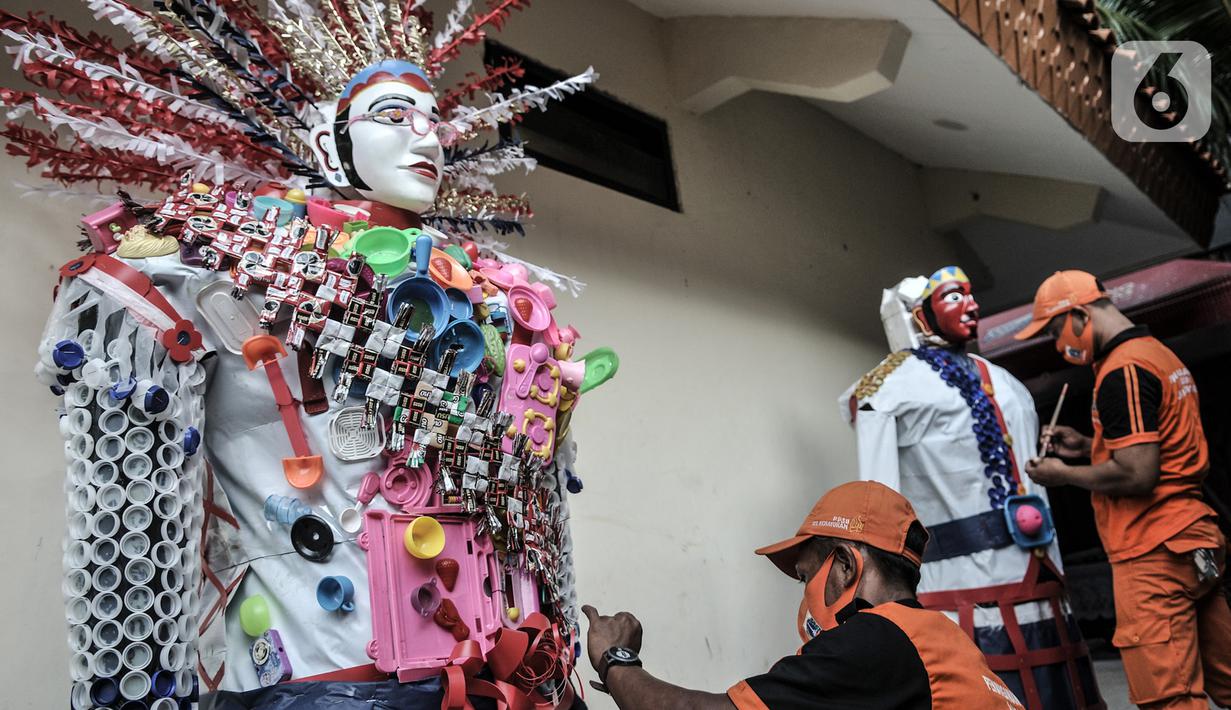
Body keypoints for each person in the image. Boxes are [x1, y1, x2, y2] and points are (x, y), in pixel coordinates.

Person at [841, 267, 1099, 708]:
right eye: (954, 297)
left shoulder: (1004, 381)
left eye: (970, 294)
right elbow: (880, 491)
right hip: (958, 580)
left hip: (1037, 568)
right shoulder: (885, 387)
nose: (972, 304)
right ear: (922, 315)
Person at [582, 481, 1027, 709]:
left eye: (805, 577)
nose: (804, 596)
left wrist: (615, 659)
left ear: (847, 565)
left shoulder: (875, 642)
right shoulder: (944, 642)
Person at [1017, 269, 1231, 709]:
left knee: (1167, 697)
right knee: (1227, 680)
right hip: (1191, 540)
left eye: (1057, 330)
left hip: (1153, 551)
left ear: (1079, 315)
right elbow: (1160, 447)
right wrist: (1088, 447)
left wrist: (1063, 474)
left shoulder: (1122, 370)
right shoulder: (1157, 355)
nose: (1060, 343)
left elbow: (1138, 474)